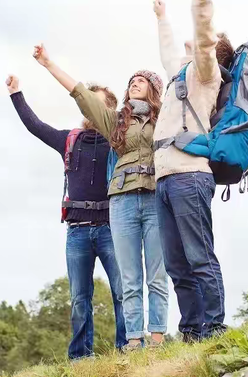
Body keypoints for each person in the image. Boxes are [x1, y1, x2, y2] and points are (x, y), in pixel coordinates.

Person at [31, 46, 169, 350]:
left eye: (142, 80)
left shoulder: (166, 117)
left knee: (157, 274)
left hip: (154, 198)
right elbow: (81, 94)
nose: (134, 82)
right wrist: (48, 64)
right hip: (121, 202)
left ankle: (157, 339)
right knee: (129, 278)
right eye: (131, 80)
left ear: (154, 90)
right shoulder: (116, 122)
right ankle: (134, 341)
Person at [5, 74, 127, 359]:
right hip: (78, 232)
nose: (87, 108)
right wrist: (16, 94)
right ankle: (81, 358)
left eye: (94, 103)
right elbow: (36, 126)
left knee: (123, 292)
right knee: (79, 299)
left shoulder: (119, 142)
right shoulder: (70, 140)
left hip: (112, 228)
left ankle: (129, 350)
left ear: (109, 109)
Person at [152, 0, 231, 341]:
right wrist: (162, 19)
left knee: (199, 258)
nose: (190, 44)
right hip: (164, 179)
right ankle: (191, 332)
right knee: (177, 265)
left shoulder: (205, 71)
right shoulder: (177, 74)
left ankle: (214, 328)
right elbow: (169, 51)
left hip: (189, 176)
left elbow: (203, 32)